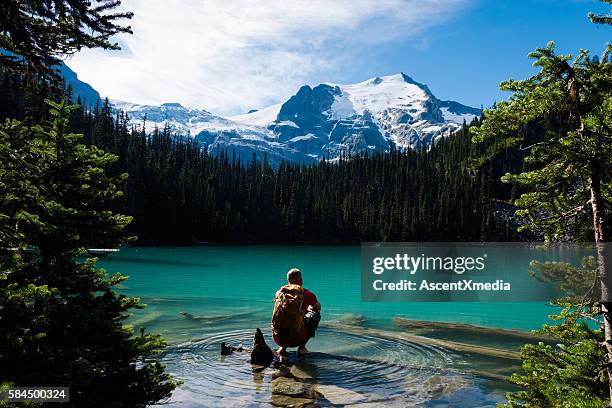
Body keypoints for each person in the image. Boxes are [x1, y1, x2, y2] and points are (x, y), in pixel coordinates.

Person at [271, 268, 321, 359]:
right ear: (301, 280)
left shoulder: (279, 293)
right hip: (296, 338)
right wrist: (310, 308)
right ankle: (302, 347)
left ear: (288, 280)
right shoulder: (307, 294)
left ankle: (282, 348)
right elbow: (318, 308)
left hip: (277, 337)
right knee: (315, 314)